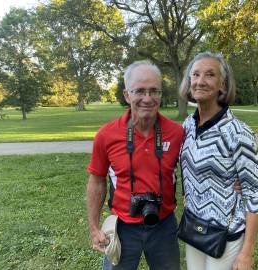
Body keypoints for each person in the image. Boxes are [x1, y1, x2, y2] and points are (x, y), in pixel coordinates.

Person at [86, 60, 184, 270]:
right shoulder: (107, 135)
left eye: (154, 91)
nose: (147, 98)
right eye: (139, 91)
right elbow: (96, 180)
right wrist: (94, 227)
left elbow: (197, 169)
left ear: (160, 94)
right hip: (122, 227)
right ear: (126, 95)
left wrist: (232, 181)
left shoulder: (177, 133)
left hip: (163, 225)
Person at [179, 51, 258, 270]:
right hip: (194, 225)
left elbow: (254, 194)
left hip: (225, 235)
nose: (200, 81)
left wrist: (247, 252)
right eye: (195, 75)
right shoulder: (187, 126)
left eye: (209, 75)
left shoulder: (238, 132)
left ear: (222, 85)